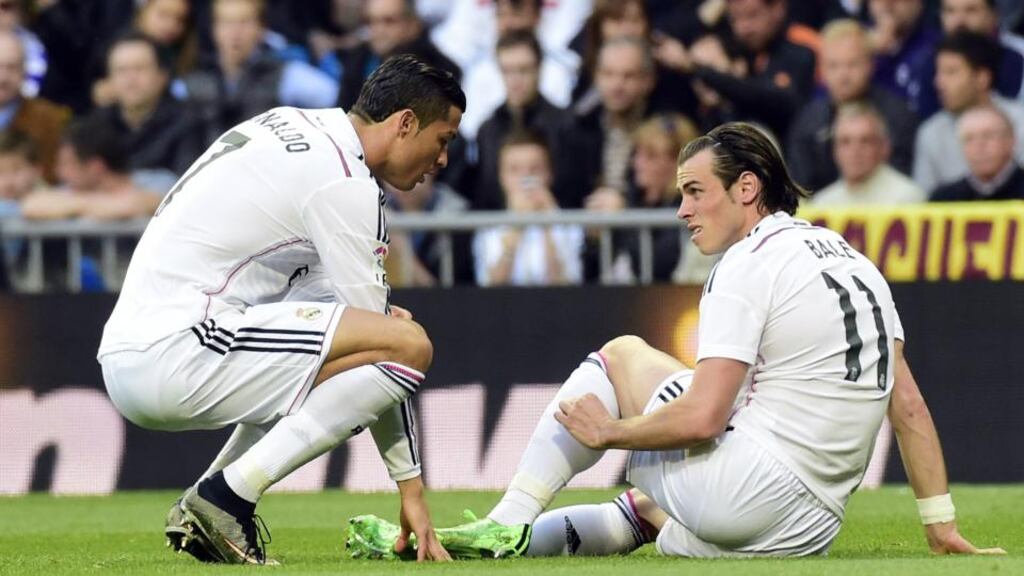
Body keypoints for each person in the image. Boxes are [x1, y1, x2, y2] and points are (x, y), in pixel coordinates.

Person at [348, 122, 1005, 560]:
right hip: (810, 530)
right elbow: (908, 407)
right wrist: (940, 523)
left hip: (748, 497)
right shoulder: (856, 262)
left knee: (623, 355)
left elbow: (702, 418)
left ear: (746, 188)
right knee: (650, 506)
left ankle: (509, 518)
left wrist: (610, 434)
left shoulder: (748, 263)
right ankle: (495, 542)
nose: (683, 210)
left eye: (695, 192)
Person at [97, 55, 464, 565]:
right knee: (407, 342)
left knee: (363, 343)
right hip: (180, 346)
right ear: (404, 123)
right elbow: (392, 350)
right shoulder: (343, 180)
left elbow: (353, 329)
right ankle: (224, 498)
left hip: (135, 350)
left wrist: (376, 327)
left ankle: (208, 498)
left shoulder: (289, 124)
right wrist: (411, 488)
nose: (442, 159)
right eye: (443, 140)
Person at [787, 19, 918, 192]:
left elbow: (901, 176)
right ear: (822, 70)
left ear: (871, 65)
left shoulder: (898, 115)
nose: (843, 75)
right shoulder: (809, 120)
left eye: (852, 64)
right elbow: (801, 186)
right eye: (833, 66)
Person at [913, 30, 1024, 193]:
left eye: (951, 72)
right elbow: (924, 199)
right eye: (938, 72)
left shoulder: (1020, 121)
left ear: (982, 78)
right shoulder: (931, 133)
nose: (939, 82)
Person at [473, 129, 583, 287]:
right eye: (514, 170)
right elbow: (491, 289)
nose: (525, 178)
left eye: (535, 169)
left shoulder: (570, 226)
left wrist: (548, 224)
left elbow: (566, 286)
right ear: (501, 177)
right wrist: (517, 227)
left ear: (550, 174)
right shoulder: (488, 229)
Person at [813, 103, 925, 205]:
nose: (855, 151)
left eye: (865, 141)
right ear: (834, 150)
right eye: (845, 142)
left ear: (884, 147)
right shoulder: (823, 202)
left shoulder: (908, 198)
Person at [931, 104, 1024, 200]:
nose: (978, 146)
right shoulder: (943, 198)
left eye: (988, 136)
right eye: (969, 139)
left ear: (1011, 140)